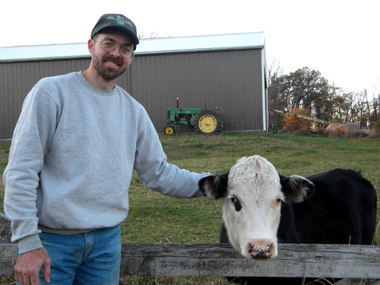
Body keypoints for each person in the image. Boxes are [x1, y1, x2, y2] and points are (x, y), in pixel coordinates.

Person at [3, 13, 207, 285]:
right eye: (108, 43)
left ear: (132, 57)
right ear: (91, 45)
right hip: (50, 243)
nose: (116, 53)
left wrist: (215, 183)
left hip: (105, 246)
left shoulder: (134, 112)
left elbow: (159, 173)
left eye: (125, 48)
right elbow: (21, 171)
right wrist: (27, 243)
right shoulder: (51, 93)